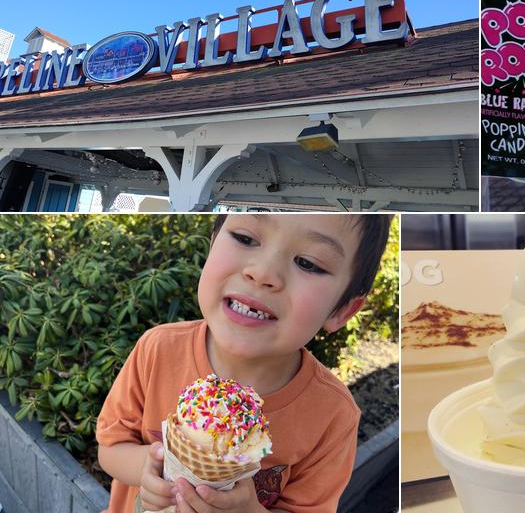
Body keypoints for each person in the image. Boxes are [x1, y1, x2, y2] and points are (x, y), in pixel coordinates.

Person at [96, 214, 392, 513]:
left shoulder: (333, 416)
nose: (263, 273)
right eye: (245, 238)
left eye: (308, 263)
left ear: (343, 309)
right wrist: (154, 468)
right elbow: (110, 447)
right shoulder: (158, 349)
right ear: (212, 244)